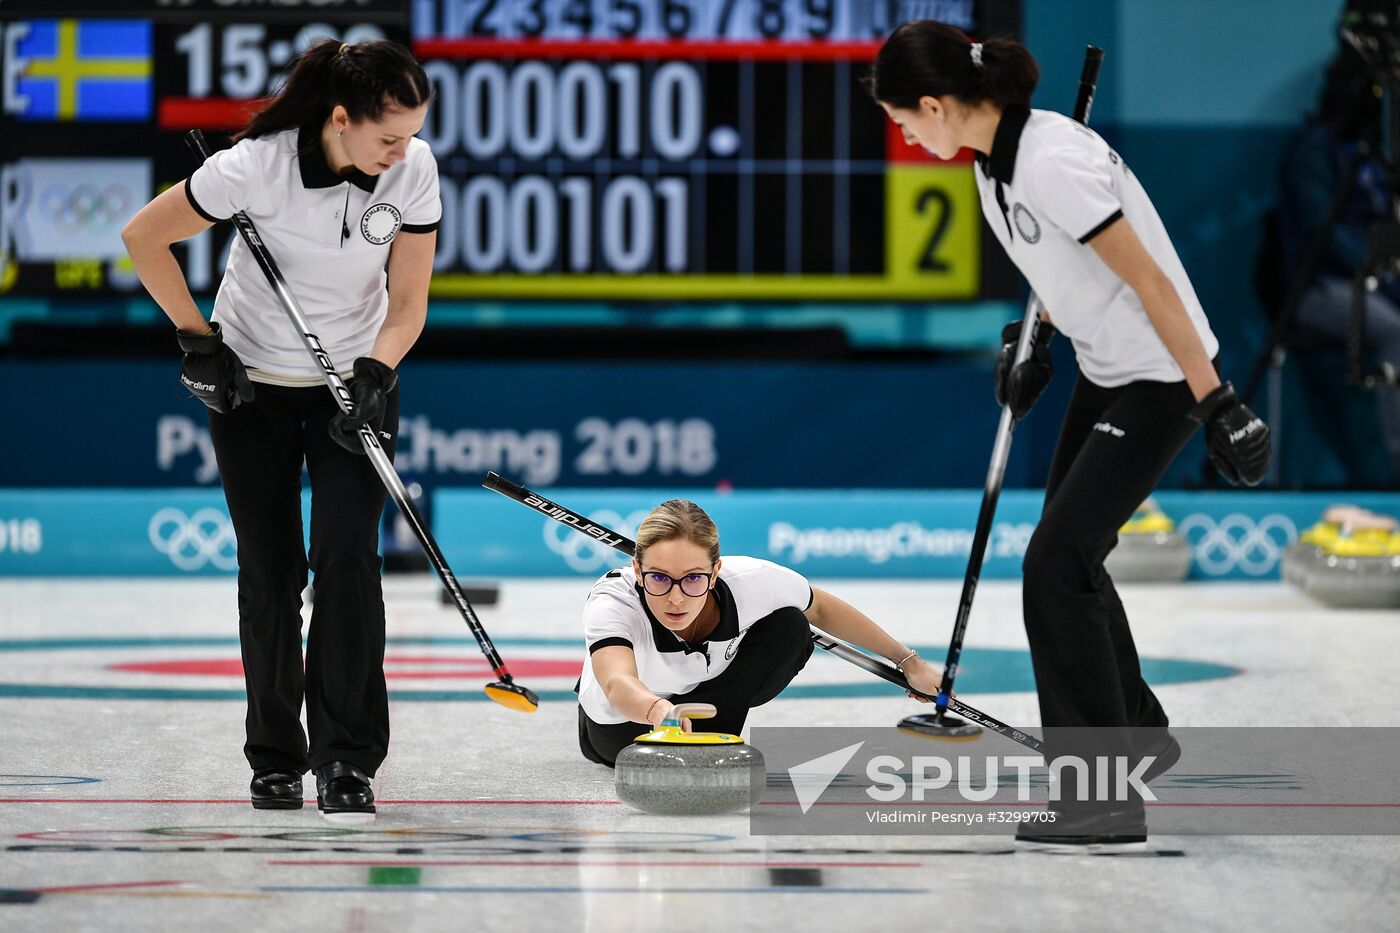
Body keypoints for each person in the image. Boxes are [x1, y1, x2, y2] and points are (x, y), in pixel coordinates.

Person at [868, 21, 1271, 852]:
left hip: (1163, 374)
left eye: (907, 120)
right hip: (1109, 364)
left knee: (1054, 564)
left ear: (939, 105)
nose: (906, 135)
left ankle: (1099, 799)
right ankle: (1138, 732)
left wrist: (1219, 401)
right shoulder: (991, 162)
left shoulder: (1054, 158)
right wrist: (1036, 337)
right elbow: (1056, 263)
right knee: (1072, 559)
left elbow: (1151, 278)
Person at [121, 38, 439, 822]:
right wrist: (199, 341)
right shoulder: (253, 167)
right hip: (252, 387)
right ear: (340, 118)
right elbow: (142, 236)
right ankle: (274, 757)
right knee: (271, 573)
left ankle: (346, 758)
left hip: (352, 389)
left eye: (411, 134)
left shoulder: (414, 170)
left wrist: (377, 371)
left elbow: (408, 302)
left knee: (348, 564)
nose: (403, 151)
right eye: (388, 136)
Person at [577, 499, 946, 767]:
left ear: (716, 570)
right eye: (659, 578)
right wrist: (659, 711)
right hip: (624, 725)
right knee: (632, 722)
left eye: (693, 579)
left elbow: (820, 607)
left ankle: (709, 741)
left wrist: (909, 661)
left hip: (703, 696)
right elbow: (617, 681)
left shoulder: (753, 581)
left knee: (791, 625)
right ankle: (696, 743)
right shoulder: (613, 600)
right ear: (638, 572)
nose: (675, 598)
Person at [1279, 36, 1400, 482]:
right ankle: (1397, 465)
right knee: (1395, 330)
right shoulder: (1314, 150)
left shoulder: (1376, 159)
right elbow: (1325, 235)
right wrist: (1382, 278)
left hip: (1376, 284)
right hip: (1321, 288)